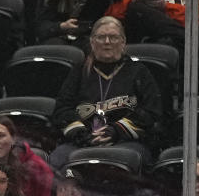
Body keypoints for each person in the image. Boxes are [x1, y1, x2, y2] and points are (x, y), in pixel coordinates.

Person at [50, 16, 161, 171]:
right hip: (82, 141)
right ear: (92, 42)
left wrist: (115, 131)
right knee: (58, 159)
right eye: (101, 37)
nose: (107, 42)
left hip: (126, 142)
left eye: (113, 37)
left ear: (123, 42)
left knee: (129, 159)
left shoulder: (139, 72)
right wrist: (82, 134)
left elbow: (151, 112)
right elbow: (62, 110)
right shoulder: (79, 72)